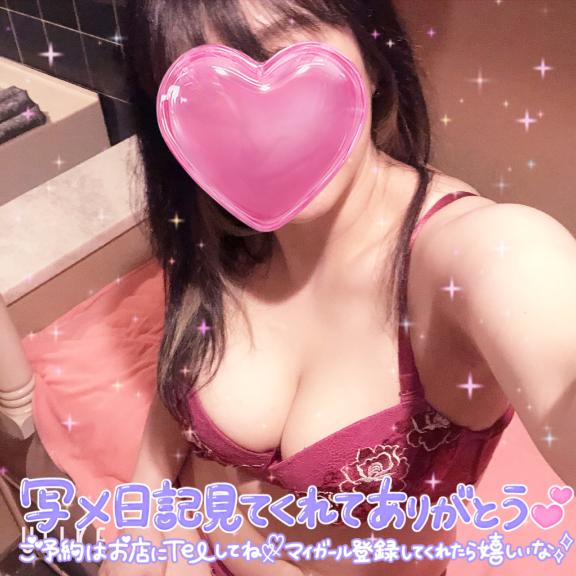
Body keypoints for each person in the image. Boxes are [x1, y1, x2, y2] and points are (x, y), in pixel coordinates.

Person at [1, 1, 574, 575]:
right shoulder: (224, 226)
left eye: (286, 52)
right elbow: (181, 379)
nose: (256, 123)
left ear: (372, 56)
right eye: (208, 88)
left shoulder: (482, 257)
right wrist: (143, 517)